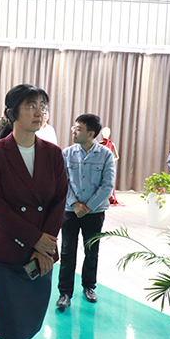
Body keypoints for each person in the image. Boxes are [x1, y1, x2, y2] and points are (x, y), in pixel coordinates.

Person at [0, 84, 67, 339]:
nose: (39, 112)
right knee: (11, 332)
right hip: (6, 254)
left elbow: (59, 201)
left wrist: (45, 246)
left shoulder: (53, 153)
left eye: (42, 106)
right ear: (11, 113)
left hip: (41, 257)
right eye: (31, 106)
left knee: (29, 325)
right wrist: (36, 240)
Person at [56, 114, 116, 309]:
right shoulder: (67, 153)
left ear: (91, 134)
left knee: (92, 251)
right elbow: (62, 181)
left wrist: (88, 207)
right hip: (70, 210)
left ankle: (89, 286)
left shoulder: (106, 155)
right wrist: (75, 204)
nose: (74, 132)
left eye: (78, 129)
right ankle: (65, 292)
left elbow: (107, 185)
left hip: (95, 212)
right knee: (67, 251)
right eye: (74, 128)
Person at [99, 127, 120, 205]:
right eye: (104, 132)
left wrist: (111, 160)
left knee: (110, 180)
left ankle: (110, 197)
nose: (106, 134)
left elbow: (117, 157)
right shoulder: (99, 144)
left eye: (107, 133)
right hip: (101, 165)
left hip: (109, 165)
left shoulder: (112, 144)